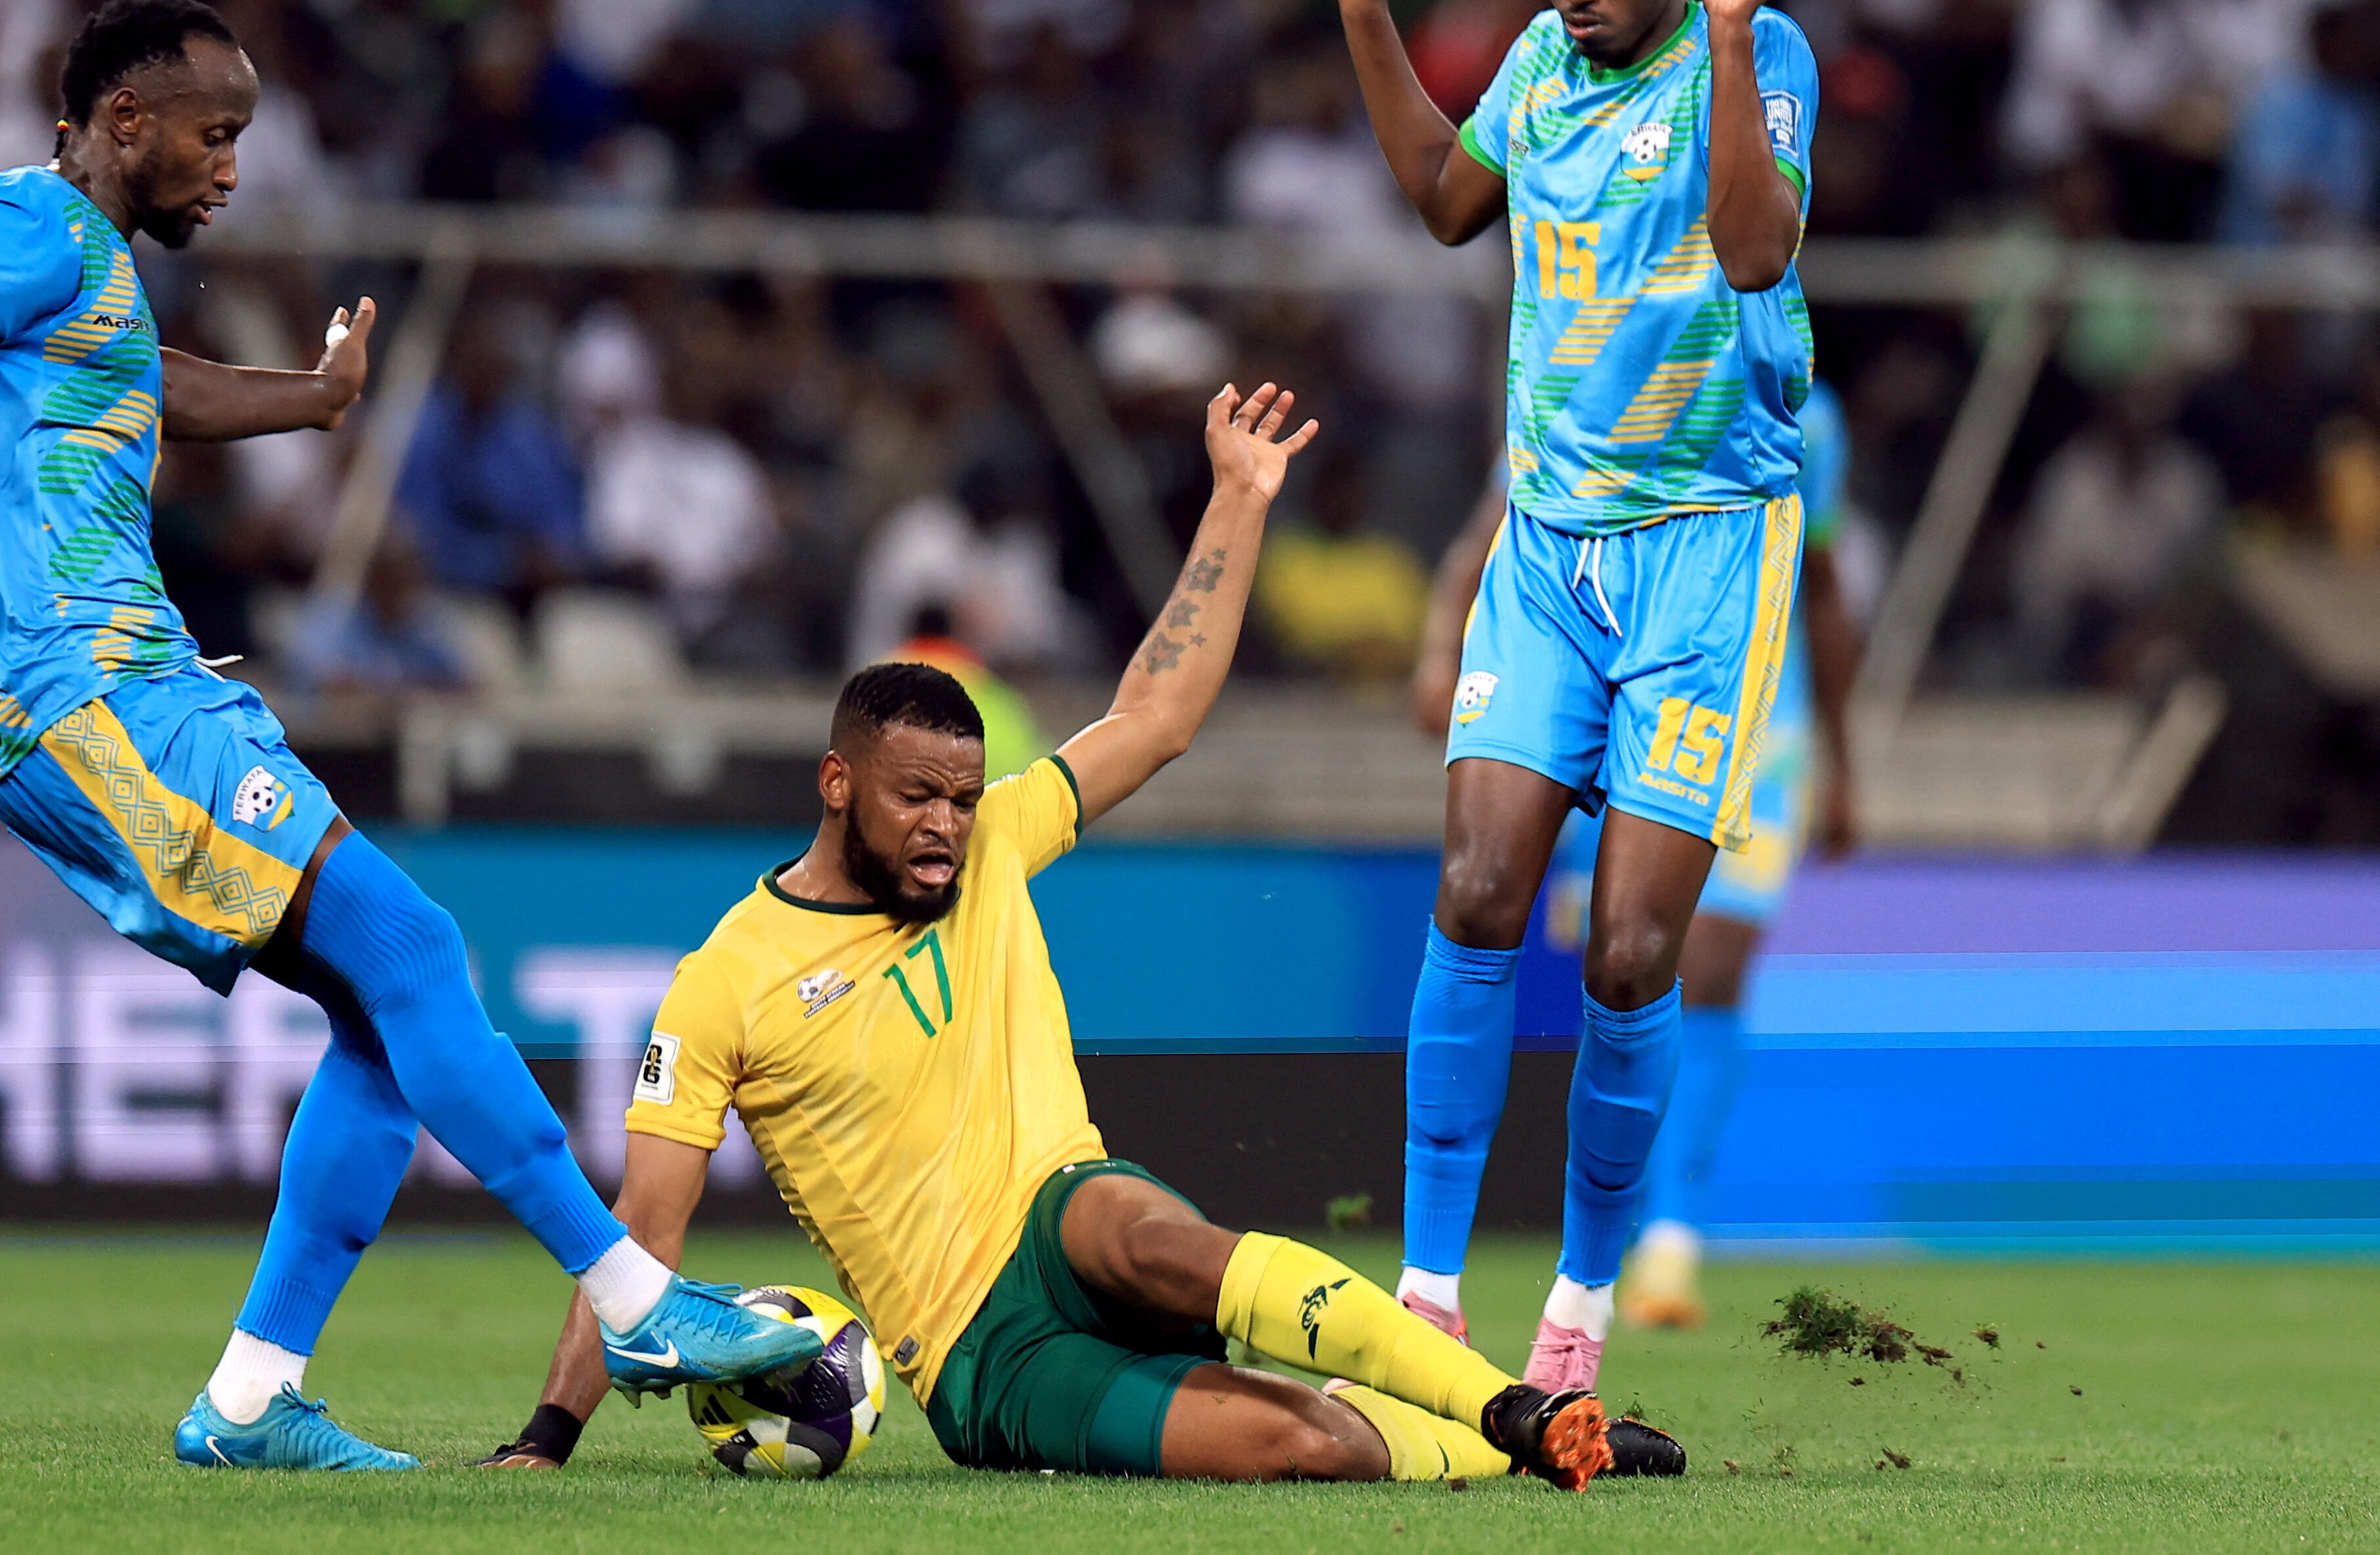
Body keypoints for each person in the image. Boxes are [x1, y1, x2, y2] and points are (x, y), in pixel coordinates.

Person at [0, 0, 822, 1471]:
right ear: (124, 122)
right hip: (70, 687)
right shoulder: (14, 220)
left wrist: (310, 400)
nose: (233, 167)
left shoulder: (88, 267)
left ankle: (249, 1397)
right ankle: (633, 1301)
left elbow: (141, 386)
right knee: (416, 946)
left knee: (382, 1009)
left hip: (142, 681)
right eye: (215, 134)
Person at [484, 386, 1683, 1490]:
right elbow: (641, 1241)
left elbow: (1154, 717)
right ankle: (1496, 1448)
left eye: (961, 796)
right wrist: (549, 1438)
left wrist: (1236, 502)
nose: (948, 826)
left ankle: (1521, 1411)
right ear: (839, 784)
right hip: (977, 1351)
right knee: (1289, 1439)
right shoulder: (723, 983)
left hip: (1065, 1211)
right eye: (918, 799)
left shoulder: (998, 840)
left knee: (1149, 1232)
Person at [1335, 0, 1831, 1392]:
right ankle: (1421, 1300)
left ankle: (1579, 1314)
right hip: (1547, 547)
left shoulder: (1759, 53)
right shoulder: (1539, 71)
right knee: (1479, 894)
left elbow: (1756, 253)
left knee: (1624, 950)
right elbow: (1438, 197)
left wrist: (1739, 46)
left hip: (1705, 550)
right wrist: (1363, 11)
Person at [1405, 379, 1863, 1331]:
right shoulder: (1587, 346)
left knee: (1708, 959)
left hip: (1750, 699)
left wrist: (1843, 760)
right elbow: (1497, 514)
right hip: (1590, 672)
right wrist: (1442, 647)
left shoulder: (1806, 417)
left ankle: (1670, 1240)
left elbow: (1818, 588)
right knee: (1608, 957)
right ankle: (1471, 1273)